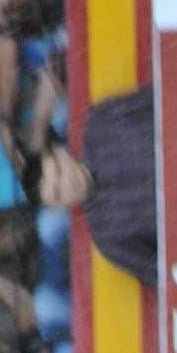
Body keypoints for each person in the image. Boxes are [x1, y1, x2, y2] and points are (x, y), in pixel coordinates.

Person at [19, 84, 155, 286]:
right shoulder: (108, 239)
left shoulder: (102, 121)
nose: (67, 185)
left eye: (59, 171)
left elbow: (161, 98)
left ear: (60, 152)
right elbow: (167, 272)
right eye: (58, 193)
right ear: (58, 207)